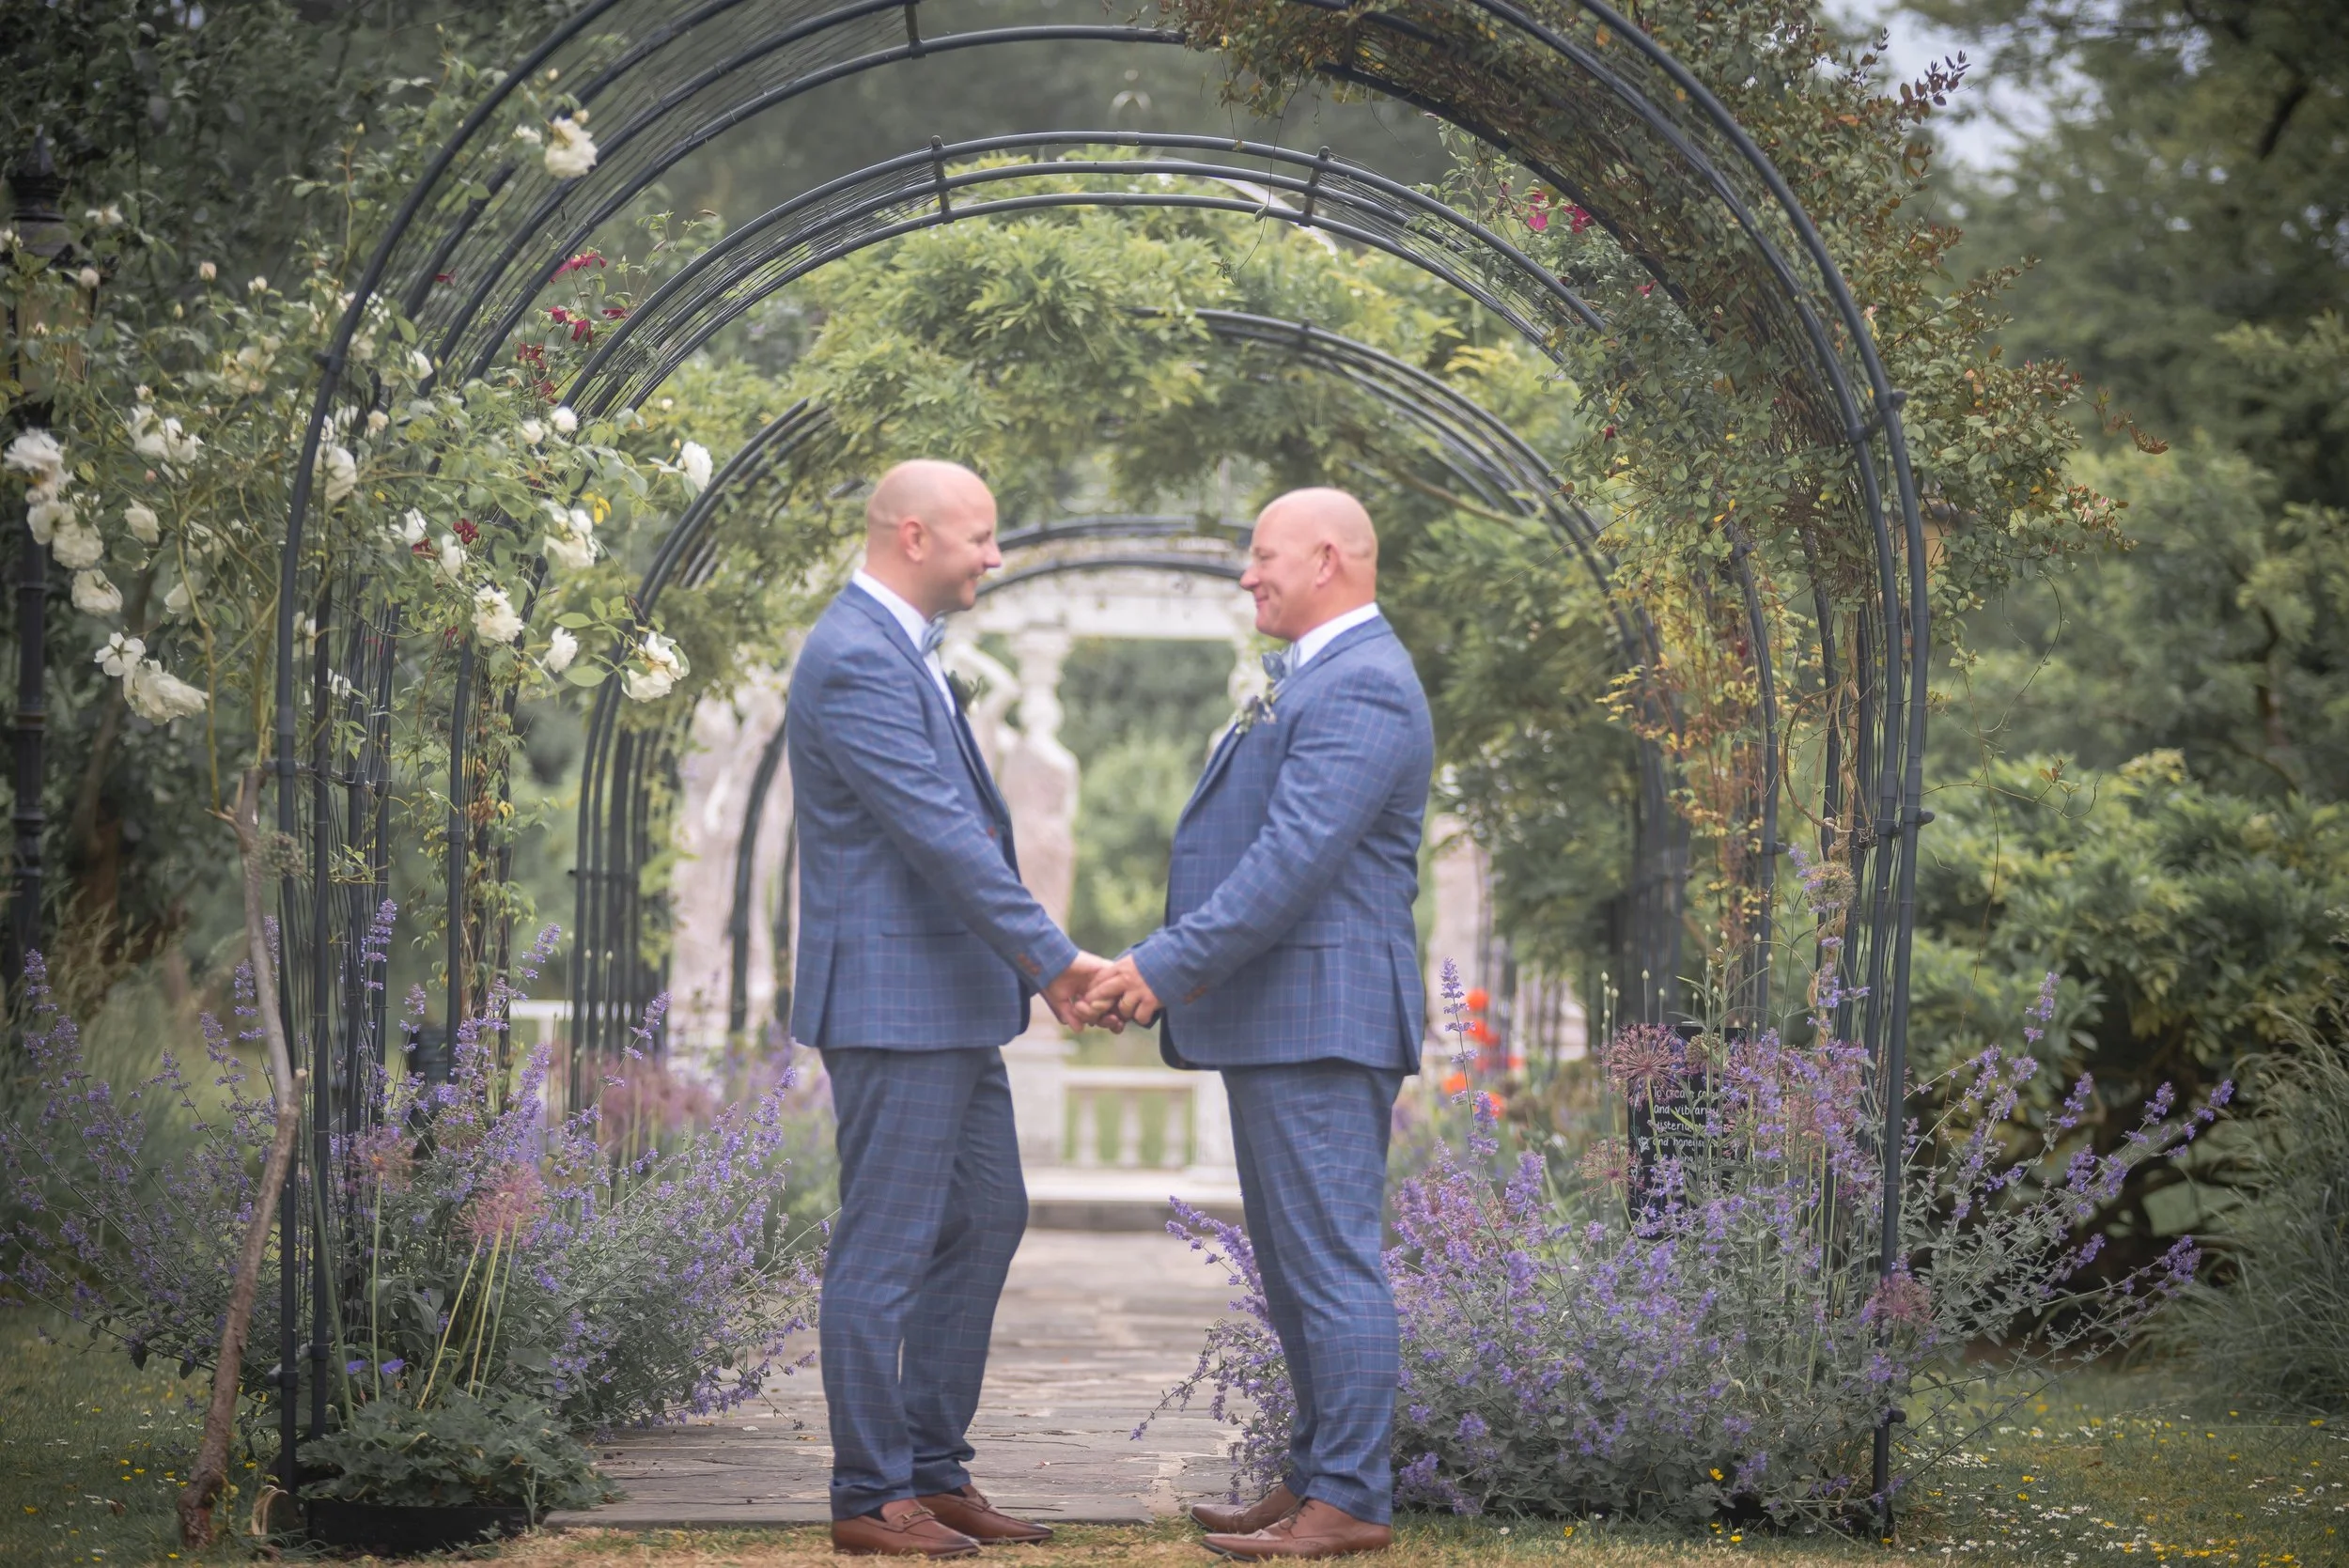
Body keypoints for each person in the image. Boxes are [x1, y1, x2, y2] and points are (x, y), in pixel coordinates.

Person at [1081, 488, 1433, 1560]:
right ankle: (1317, 1475)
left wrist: (1157, 967)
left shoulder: (1364, 683)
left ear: (1327, 558)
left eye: (1263, 555)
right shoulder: (1317, 676)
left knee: (1329, 1263)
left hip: (1321, 1021)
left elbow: (1288, 865)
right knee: (1295, 1268)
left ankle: (1353, 1502)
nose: (1246, 573)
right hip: (1286, 1019)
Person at [786, 458, 1112, 1558]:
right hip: (894, 1003)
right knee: (882, 1252)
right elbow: (936, 831)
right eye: (982, 536)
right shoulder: (851, 656)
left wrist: (1029, 967)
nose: (996, 556)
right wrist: (1056, 962)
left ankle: (933, 1468)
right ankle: (868, 1494)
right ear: (914, 535)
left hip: (950, 1001)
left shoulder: (907, 655)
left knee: (985, 1216)